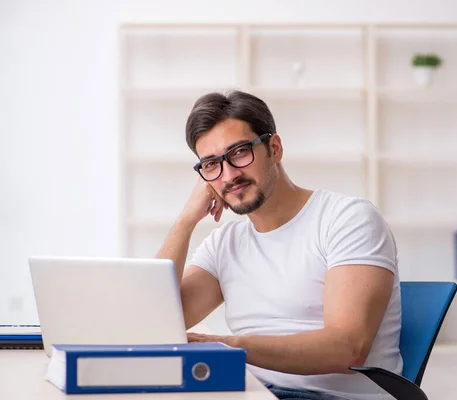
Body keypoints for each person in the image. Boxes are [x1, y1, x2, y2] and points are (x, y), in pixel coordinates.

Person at [156, 90, 402, 400]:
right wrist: (186, 221)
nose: (229, 175)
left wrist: (228, 347)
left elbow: (347, 349)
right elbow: (157, 319)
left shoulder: (347, 219)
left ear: (274, 147)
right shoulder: (225, 244)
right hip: (256, 393)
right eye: (211, 165)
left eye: (240, 152)